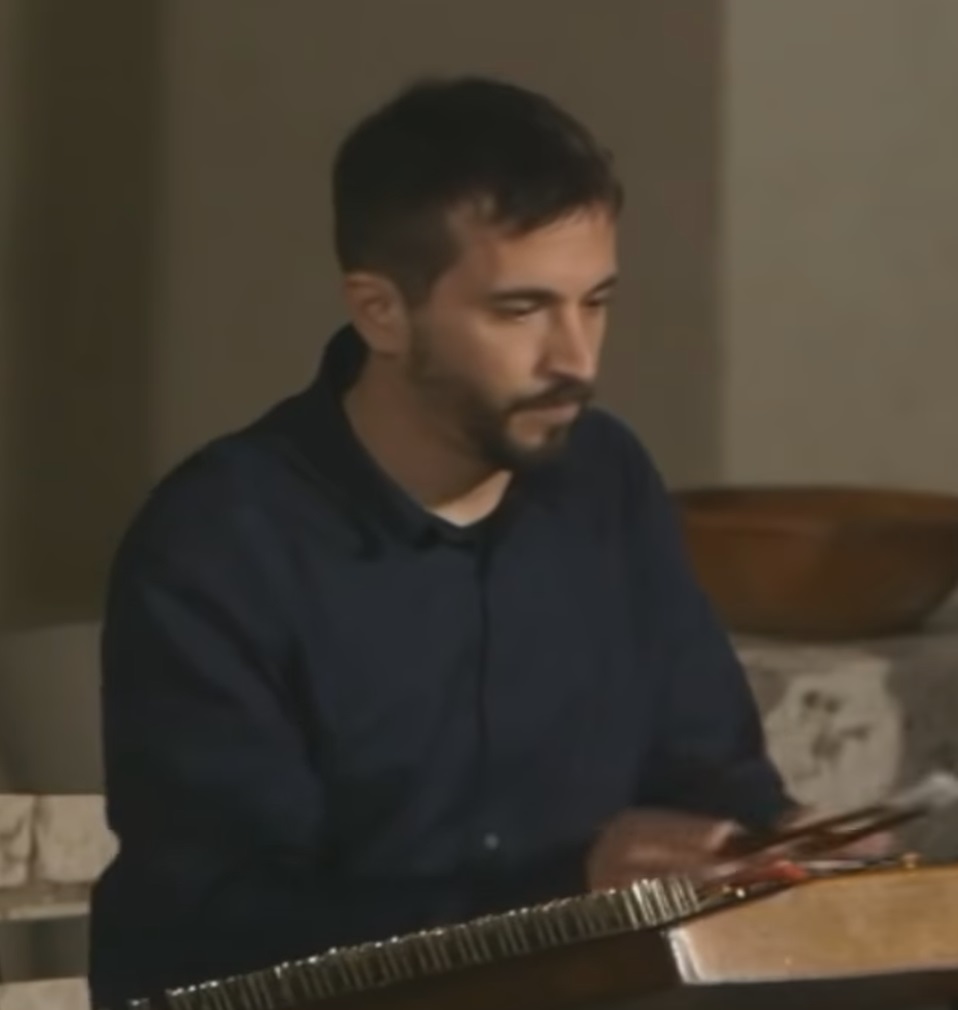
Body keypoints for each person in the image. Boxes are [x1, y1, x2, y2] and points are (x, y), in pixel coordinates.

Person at [87, 76, 864, 1007]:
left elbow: (713, 779)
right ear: (381, 311)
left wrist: (780, 845)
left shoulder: (605, 480)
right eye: (521, 311)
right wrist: (566, 894)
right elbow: (227, 930)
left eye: (596, 302)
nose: (576, 359)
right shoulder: (223, 542)